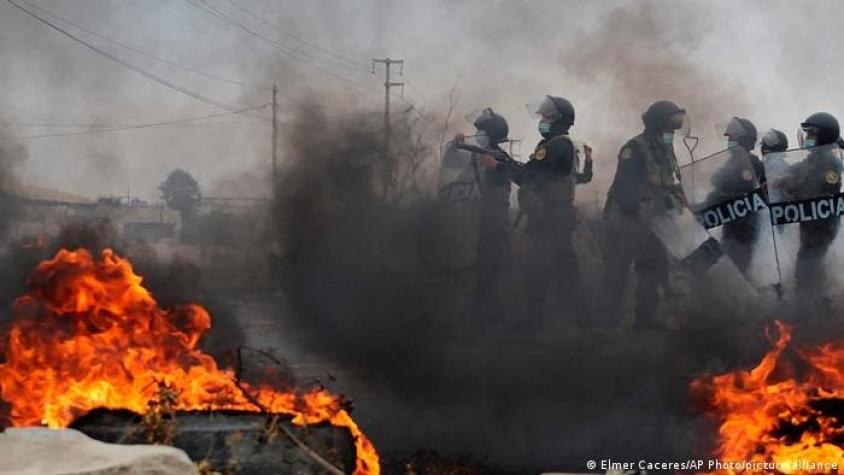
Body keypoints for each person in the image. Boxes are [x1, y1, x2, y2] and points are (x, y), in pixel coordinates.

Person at [601, 100, 686, 330]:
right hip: (628, 221)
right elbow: (624, 187)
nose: (673, 130)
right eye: (670, 124)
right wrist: (635, 218)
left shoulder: (666, 149)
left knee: (654, 268)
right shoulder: (635, 148)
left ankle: (644, 320)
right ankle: (607, 322)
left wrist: (682, 203)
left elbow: (672, 181)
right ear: (659, 123)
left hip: (653, 222)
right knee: (617, 271)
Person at [513, 95, 593, 328]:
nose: (542, 120)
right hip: (558, 217)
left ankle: (533, 322)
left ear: (559, 120)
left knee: (537, 268)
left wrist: (501, 164)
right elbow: (579, 178)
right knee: (566, 269)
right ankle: (584, 319)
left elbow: (529, 177)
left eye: (546, 116)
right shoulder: (565, 145)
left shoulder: (556, 145)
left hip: (549, 218)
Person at [778, 112, 843, 307]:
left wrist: (791, 188)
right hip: (810, 227)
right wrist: (780, 181)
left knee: (808, 269)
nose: (807, 138)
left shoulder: (830, 163)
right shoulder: (814, 159)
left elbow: (817, 188)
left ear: (824, 135)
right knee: (806, 268)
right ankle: (816, 310)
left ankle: (820, 315)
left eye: (811, 133)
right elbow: (798, 173)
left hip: (821, 227)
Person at [707, 118, 765, 274]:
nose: (729, 141)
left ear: (743, 140)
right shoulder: (735, 161)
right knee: (732, 262)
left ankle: (744, 297)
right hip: (734, 219)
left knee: (738, 264)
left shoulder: (749, 163)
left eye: (731, 138)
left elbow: (723, 184)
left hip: (744, 222)